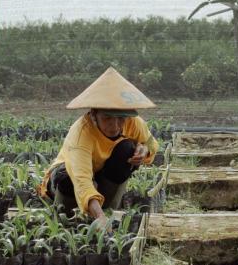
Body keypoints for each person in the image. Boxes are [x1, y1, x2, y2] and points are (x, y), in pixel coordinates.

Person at [43, 67, 159, 230]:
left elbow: (151, 143)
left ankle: (107, 208)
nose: (115, 125)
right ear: (93, 114)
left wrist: (145, 150)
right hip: (67, 178)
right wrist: (100, 218)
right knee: (66, 178)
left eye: (120, 119)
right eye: (107, 118)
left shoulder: (132, 122)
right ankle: (66, 218)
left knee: (126, 149)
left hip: (99, 177)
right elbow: (81, 179)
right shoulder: (82, 134)